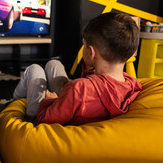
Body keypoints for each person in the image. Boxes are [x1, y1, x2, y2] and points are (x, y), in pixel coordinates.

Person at [13, 12, 142, 125]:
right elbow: (97, 87)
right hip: (74, 108)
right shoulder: (132, 84)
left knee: (34, 69)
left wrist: (50, 100)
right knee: (54, 64)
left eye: (85, 45)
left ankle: (13, 104)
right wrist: (91, 66)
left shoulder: (78, 88)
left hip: (44, 116)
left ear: (91, 52)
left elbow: (44, 121)